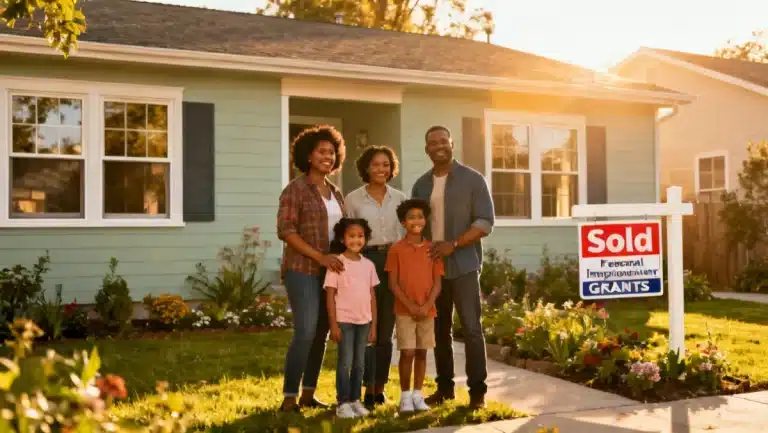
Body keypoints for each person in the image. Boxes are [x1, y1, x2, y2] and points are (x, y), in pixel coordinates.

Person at [410, 125, 495, 410]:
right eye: (432, 142)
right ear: (426, 149)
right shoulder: (421, 185)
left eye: (443, 141)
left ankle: (477, 393)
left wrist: (454, 244)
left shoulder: (473, 180)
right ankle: (445, 389)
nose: (438, 146)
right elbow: (415, 225)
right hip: (432, 268)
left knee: (471, 328)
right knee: (439, 330)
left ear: (452, 144)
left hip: (465, 266)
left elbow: (484, 222)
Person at [276, 125, 347, 412]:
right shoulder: (295, 189)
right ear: (308, 155)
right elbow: (286, 231)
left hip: (330, 271)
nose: (327, 157)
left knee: (321, 332)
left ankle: (308, 394)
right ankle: (289, 398)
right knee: (305, 331)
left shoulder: (335, 191)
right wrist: (320, 257)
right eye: (321, 152)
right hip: (302, 269)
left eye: (332, 152)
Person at [344, 145, 407, 408]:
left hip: (393, 261)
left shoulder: (401, 199)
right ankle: (362, 386)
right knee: (366, 327)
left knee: (385, 331)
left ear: (391, 169)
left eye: (386, 164)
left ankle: (378, 389)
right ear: (366, 168)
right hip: (364, 261)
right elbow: (348, 237)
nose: (381, 169)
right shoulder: (353, 199)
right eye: (375, 164)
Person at [385, 198, 444, 413]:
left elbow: (437, 283)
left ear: (426, 220)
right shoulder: (396, 250)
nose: (416, 221)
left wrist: (426, 304)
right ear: (403, 222)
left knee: (421, 352)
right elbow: (393, 283)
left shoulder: (433, 250)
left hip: (428, 309)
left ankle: (418, 395)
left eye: (420, 216)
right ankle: (405, 396)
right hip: (404, 310)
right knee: (407, 352)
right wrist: (410, 306)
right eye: (411, 217)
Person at [324, 218, 379, 418]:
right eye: (351, 236)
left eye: (360, 236)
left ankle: (356, 400)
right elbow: (330, 295)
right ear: (342, 238)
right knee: (345, 361)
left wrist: (374, 326)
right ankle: (343, 403)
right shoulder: (337, 263)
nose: (356, 240)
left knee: (359, 363)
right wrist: (333, 325)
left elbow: (372, 297)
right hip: (344, 321)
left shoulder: (369, 265)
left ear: (365, 238)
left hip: (364, 321)